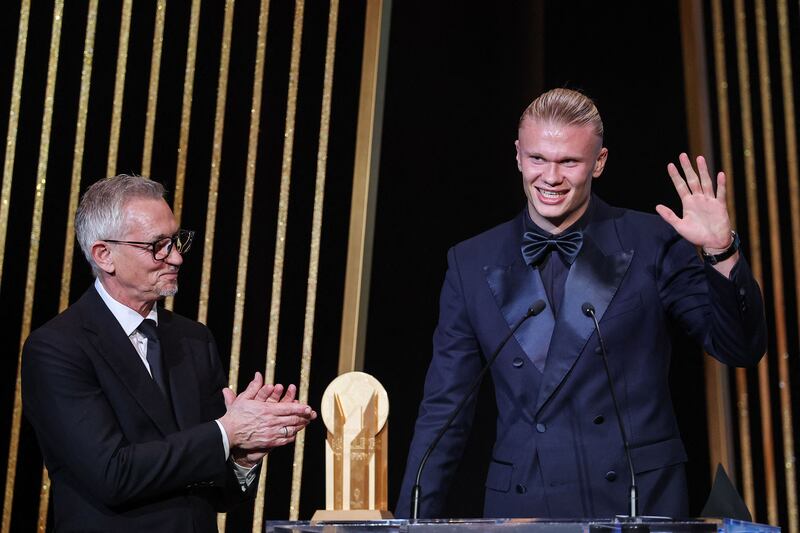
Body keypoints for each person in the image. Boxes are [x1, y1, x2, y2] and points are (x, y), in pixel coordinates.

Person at [396, 88, 767, 519]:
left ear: (600, 162)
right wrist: (410, 520)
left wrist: (721, 253)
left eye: (569, 162)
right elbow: (444, 406)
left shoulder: (653, 241)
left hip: (636, 504)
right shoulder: (470, 261)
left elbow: (739, 348)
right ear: (518, 155)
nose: (550, 177)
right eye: (538, 158)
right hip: (523, 506)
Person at [22, 175, 316, 532]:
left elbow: (219, 494)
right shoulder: (57, 348)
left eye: (176, 240)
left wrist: (243, 455)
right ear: (105, 255)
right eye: (157, 245)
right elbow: (113, 474)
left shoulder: (194, 340)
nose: (175, 257)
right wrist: (227, 432)